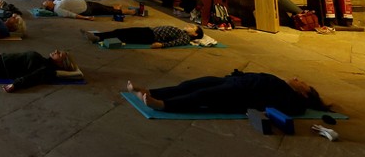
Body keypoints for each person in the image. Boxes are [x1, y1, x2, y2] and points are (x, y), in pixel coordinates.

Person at [126, 69, 331, 116]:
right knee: (192, 83)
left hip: (242, 92)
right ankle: (151, 92)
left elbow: (288, 109)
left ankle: (162, 105)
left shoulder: (293, 100)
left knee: (203, 95)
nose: (297, 79)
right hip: (237, 81)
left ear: (304, 94)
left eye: (302, 83)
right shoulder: (282, 84)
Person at [81, 24, 203, 48]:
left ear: (195, 34)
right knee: (121, 31)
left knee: (123, 35)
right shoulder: (181, 31)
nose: (189, 26)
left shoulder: (186, 38)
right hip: (148, 31)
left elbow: (177, 43)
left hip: (150, 36)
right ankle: (97, 35)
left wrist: (162, 45)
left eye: (192, 27)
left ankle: (97, 37)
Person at [41, 0, 139, 20]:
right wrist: (85, 18)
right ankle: (129, 12)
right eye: (47, 2)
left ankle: (116, 7)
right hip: (86, 9)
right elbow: (71, 15)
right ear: (49, 7)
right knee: (107, 11)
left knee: (103, 7)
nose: (48, 0)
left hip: (85, 3)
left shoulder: (55, 2)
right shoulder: (58, 10)